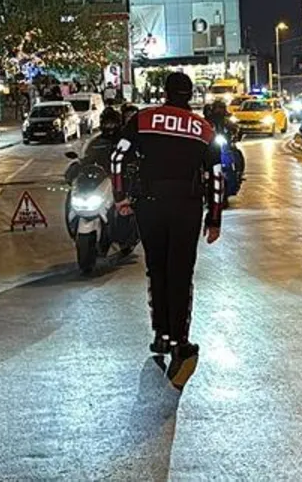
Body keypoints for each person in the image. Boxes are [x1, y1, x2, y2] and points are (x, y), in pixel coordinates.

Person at [110, 72, 223, 389]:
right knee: (181, 274)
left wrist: (120, 197)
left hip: (150, 204)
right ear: (190, 94)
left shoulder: (144, 119)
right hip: (186, 207)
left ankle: (160, 334)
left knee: (156, 270)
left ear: (165, 92)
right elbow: (215, 175)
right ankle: (180, 341)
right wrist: (214, 218)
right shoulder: (202, 128)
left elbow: (118, 157)